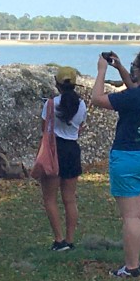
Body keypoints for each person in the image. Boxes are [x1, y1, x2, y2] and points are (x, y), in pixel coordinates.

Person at [91, 50, 140, 278]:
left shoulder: (134, 97)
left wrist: (102, 71)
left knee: (131, 217)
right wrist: (121, 68)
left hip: (127, 158)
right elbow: (135, 89)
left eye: (134, 65)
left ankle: (131, 266)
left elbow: (97, 99)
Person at [40, 66, 87, 251]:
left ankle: (58, 240)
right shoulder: (81, 104)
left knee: (50, 198)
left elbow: (45, 128)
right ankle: (70, 238)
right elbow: (80, 126)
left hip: (54, 149)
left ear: (56, 83)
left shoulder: (51, 104)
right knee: (69, 198)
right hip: (72, 150)